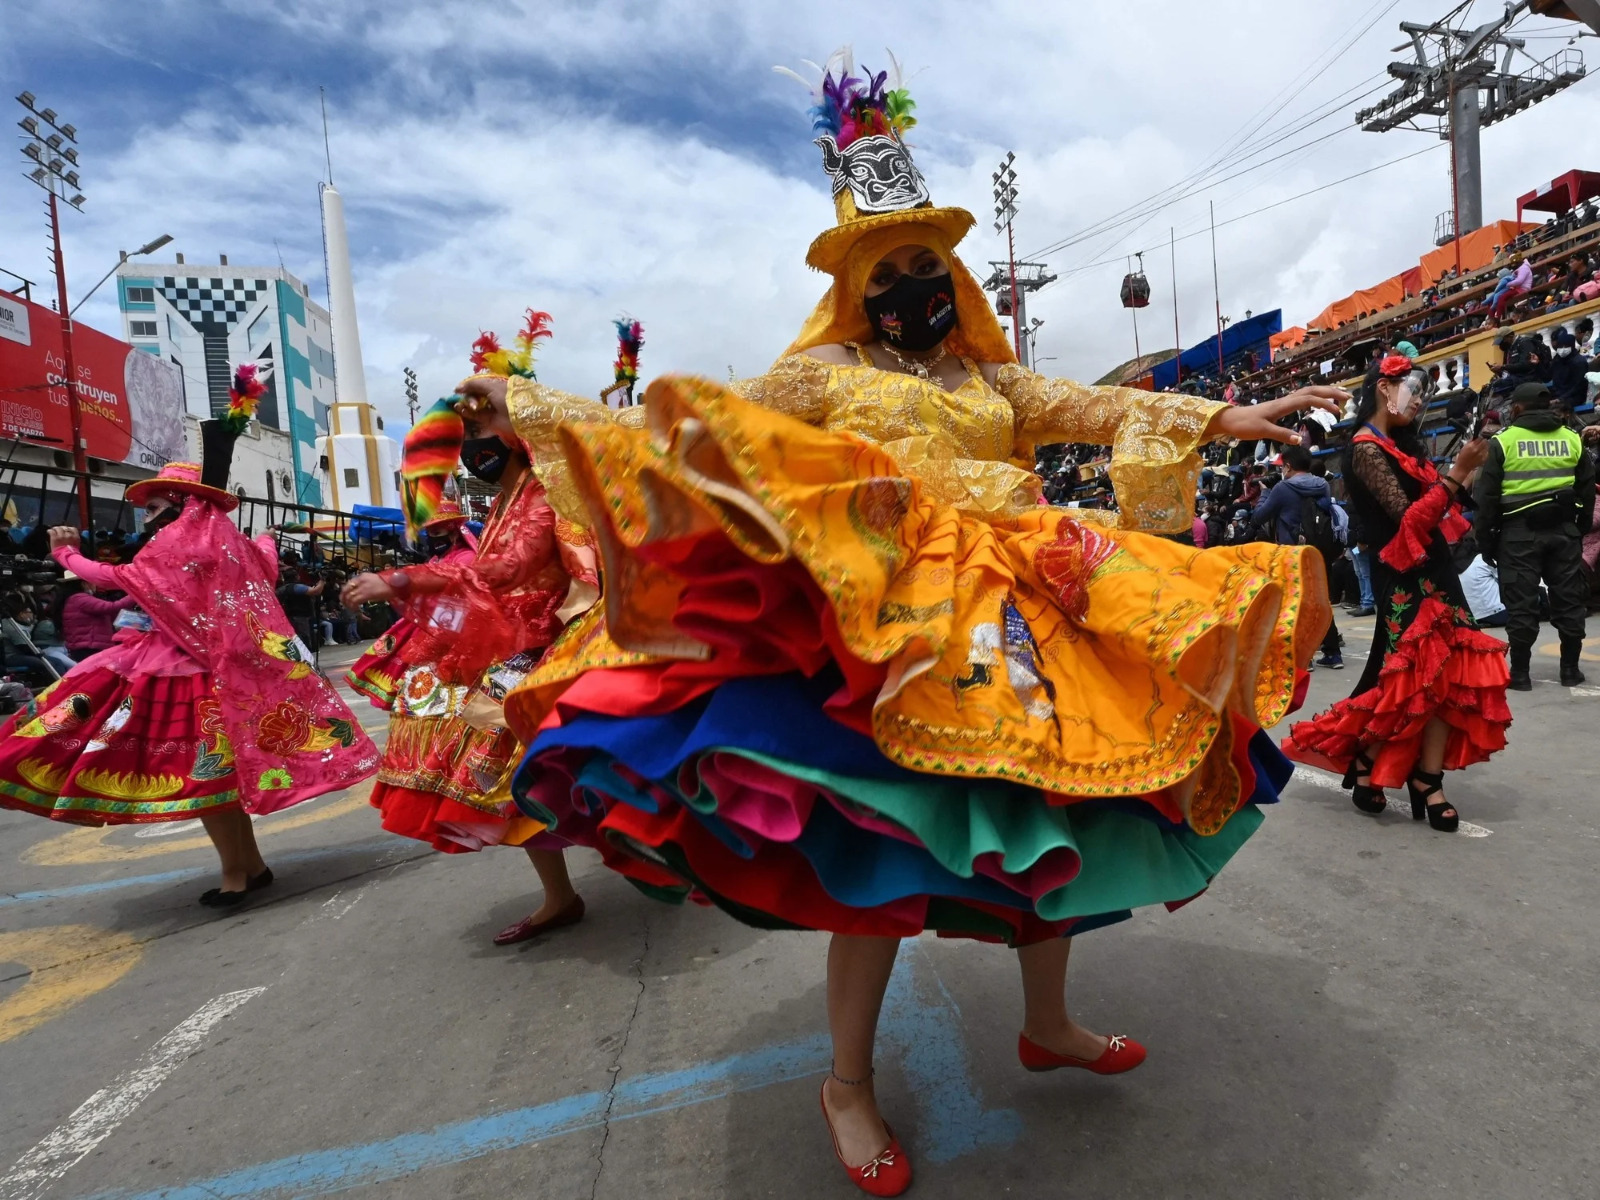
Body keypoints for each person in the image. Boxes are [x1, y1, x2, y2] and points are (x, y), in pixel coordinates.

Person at [493, 55, 1339, 1195]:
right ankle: (846, 1081)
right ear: (856, 285)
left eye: (926, 265)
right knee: (889, 845)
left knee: (1060, 816)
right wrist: (546, 411)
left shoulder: (993, 380)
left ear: (951, 273)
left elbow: (1112, 405)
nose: (910, 283)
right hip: (884, 620)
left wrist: (1243, 408)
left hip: (1022, 605)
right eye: (888, 270)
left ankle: (1049, 1024)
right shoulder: (817, 371)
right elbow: (709, 434)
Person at [0, 365, 378, 903]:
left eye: (154, 506)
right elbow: (264, 565)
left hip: (189, 672)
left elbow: (120, 577)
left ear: (180, 505)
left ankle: (237, 874)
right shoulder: (219, 540)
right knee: (216, 784)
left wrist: (65, 554)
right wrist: (268, 540)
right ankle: (248, 866)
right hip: (210, 666)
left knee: (207, 784)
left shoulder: (180, 541)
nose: (146, 518)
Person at [340, 315, 607, 947]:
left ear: (516, 429)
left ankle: (655, 856)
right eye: (465, 430)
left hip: (555, 647)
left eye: (483, 426)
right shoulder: (504, 499)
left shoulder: (543, 492)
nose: (472, 441)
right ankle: (561, 895)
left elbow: (509, 569)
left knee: (552, 765)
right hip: (510, 648)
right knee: (511, 781)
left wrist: (405, 582)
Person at [1283, 352, 1510, 833]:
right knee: (1403, 679)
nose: (1420, 400)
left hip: (1437, 570)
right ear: (1385, 388)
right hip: (1402, 575)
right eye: (1414, 390)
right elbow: (1408, 518)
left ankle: (1428, 778)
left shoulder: (1401, 446)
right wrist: (1456, 474)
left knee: (1452, 676)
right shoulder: (1365, 449)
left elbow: (1437, 512)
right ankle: (1367, 757)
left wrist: (1462, 474)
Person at [1474, 381, 1594, 689]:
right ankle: (1569, 670)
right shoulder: (1572, 439)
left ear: (1516, 409)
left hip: (1517, 535)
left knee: (1522, 603)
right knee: (1568, 600)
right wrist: (1577, 526)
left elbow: (1486, 498)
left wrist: (1485, 541)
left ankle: (1521, 674)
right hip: (1564, 532)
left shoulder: (1504, 441)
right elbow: (1586, 489)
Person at [1249, 444, 1344, 668]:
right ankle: (1333, 654)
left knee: (1294, 603)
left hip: (1292, 553)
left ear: (1288, 466)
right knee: (1320, 603)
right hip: (1319, 551)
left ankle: (1304, 656)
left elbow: (1258, 517)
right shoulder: (1323, 485)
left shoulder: (1282, 489)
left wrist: (1264, 493)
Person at [60, 572, 138, 661]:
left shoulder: (74, 599)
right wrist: (135, 593)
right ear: (84, 583)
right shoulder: (80, 599)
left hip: (86, 647)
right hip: (90, 648)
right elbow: (112, 607)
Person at [1548, 327, 1589, 412]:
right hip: (1559, 396)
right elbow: (1547, 376)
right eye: (1560, 346)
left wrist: (1561, 399)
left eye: (1565, 346)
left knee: (1557, 409)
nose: (1563, 349)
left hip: (1574, 396)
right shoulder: (1557, 360)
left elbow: (1578, 387)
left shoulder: (1579, 361)